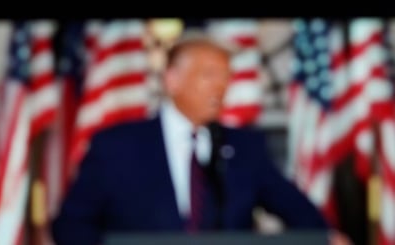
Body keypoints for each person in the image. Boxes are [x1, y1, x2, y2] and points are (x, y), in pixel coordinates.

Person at [51, 31, 352, 245]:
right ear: (172, 80)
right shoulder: (116, 146)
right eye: (209, 75)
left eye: (226, 77)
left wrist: (325, 237)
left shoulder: (245, 149)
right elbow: (72, 226)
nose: (220, 87)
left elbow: (298, 211)